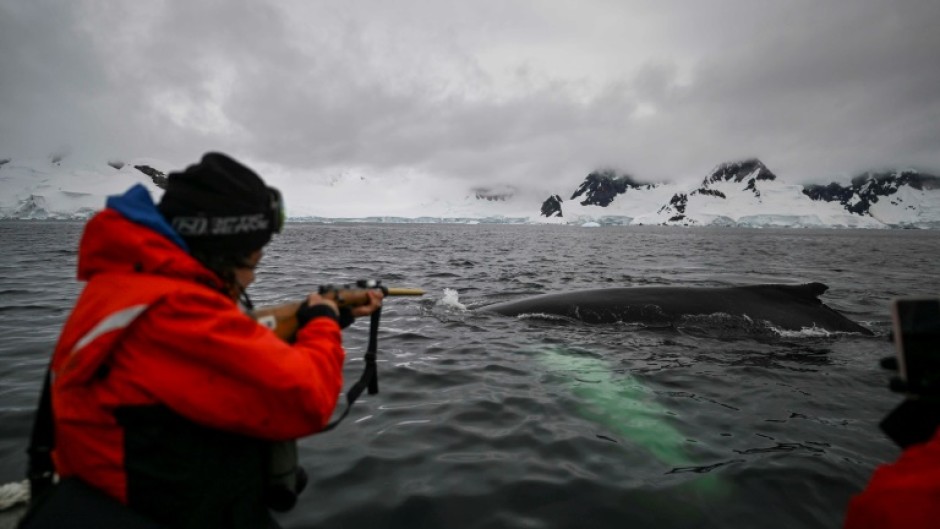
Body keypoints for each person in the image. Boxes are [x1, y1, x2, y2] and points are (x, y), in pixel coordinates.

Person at [28, 152, 382, 528]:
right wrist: (323, 324)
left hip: (127, 496)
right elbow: (307, 398)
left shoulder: (132, 285)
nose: (252, 280)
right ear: (222, 250)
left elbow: (232, 337)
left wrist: (323, 315)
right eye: (251, 265)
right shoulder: (172, 311)